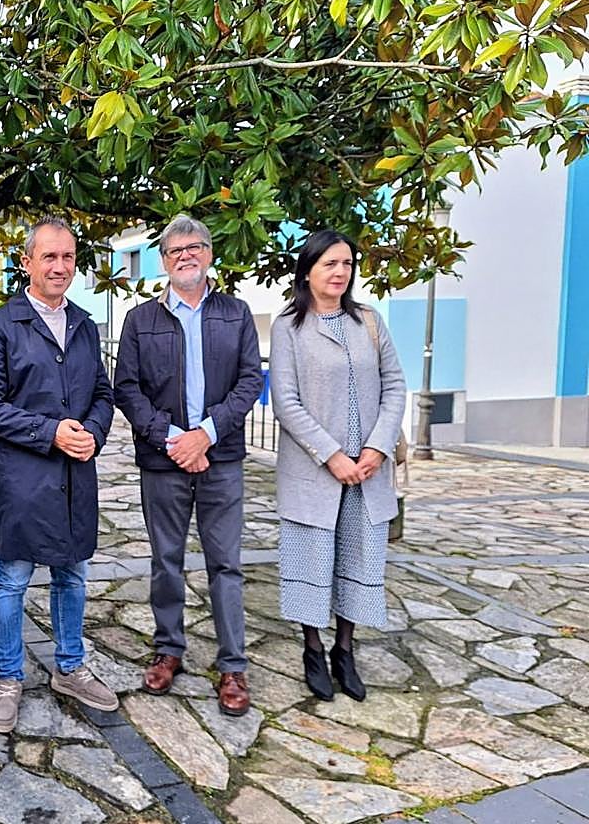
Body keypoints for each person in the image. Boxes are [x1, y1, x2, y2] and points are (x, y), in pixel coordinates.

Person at [0, 215, 117, 734]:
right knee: (11, 578)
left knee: (72, 572)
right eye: (48, 257)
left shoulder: (83, 324)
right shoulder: (0, 326)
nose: (59, 266)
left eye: (68, 257)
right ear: (26, 263)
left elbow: (103, 391)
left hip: (76, 473)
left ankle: (70, 666)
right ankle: (9, 676)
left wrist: (94, 432)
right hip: (24, 475)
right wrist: (50, 431)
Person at [113, 215, 263, 716]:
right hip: (164, 460)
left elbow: (248, 382)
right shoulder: (140, 320)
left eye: (194, 247)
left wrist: (207, 434)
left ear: (209, 253)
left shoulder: (236, 314)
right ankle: (169, 649)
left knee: (226, 564)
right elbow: (126, 389)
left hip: (221, 458)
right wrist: (174, 438)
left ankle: (233, 665)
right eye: (175, 250)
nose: (185, 256)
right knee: (165, 561)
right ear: (163, 261)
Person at [269, 229, 406, 701]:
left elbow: (395, 385)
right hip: (314, 471)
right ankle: (312, 648)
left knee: (359, 559)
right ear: (308, 269)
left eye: (347, 263)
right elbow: (285, 402)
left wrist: (376, 449)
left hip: (369, 473)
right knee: (312, 560)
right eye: (330, 263)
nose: (340, 272)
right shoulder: (288, 325)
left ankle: (344, 650)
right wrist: (332, 455)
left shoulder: (369, 320)